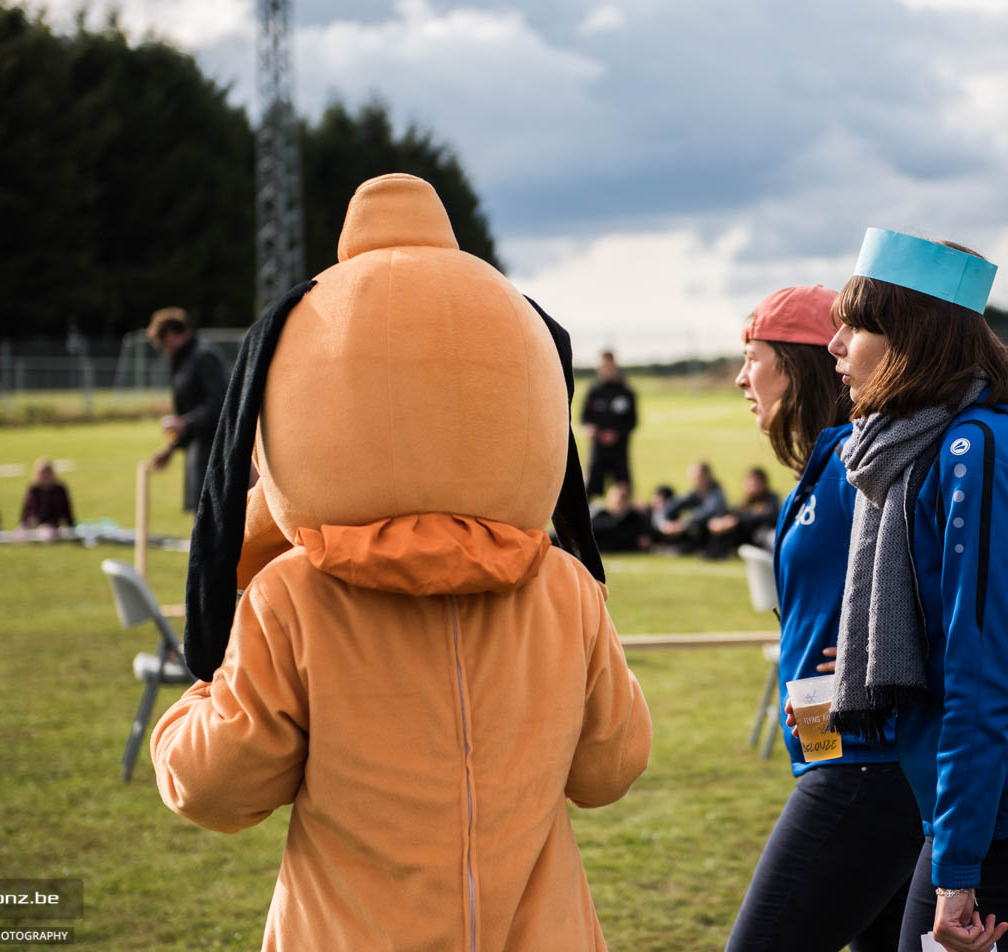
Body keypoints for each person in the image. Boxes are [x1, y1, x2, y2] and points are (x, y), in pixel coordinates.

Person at [149, 173, 650, 950]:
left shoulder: (292, 598)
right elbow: (609, 767)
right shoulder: (565, 588)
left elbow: (218, 785)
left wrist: (185, 710)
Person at [825, 228, 1008, 952]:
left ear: (913, 339)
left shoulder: (975, 451)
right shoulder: (940, 444)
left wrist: (958, 871)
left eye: (857, 325)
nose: (835, 345)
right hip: (985, 815)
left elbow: (983, 677)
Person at [727, 284, 922, 952]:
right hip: (837, 755)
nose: (740, 377)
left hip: (869, 762)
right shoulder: (820, 471)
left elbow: (952, 580)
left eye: (753, 356)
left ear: (801, 363)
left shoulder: (857, 466)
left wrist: (895, 647)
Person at [147, 307, 229, 512]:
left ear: (172, 335)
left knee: (212, 511)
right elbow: (189, 411)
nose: (164, 351)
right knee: (201, 512)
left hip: (216, 449)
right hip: (197, 447)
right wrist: (171, 448)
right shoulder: (184, 360)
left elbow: (220, 404)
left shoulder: (204, 356)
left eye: (163, 344)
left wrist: (184, 423)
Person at [580, 350, 638, 497]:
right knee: (591, 490)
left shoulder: (626, 391)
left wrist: (616, 434)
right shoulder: (594, 391)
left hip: (619, 450)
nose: (606, 370)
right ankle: (591, 518)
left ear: (615, 366)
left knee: (623, 488)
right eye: (603, 366)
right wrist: (590, 429)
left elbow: (633, 421)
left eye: (609, 366)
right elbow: (585, 417)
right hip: (598, 449)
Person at [705, 467, 781, 558]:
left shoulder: (771, 499)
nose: (751, 486)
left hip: (765, 536)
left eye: (755, 482)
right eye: (748, 482)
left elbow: (767, 516)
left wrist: (736, 521)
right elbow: (734, 513)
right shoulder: (745, 503)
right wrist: (720, 522)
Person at [657, 461, 728, 552]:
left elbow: (708, 512)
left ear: (708, 476)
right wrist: (664, 524)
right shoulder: (692, 494)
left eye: (698, 477)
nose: (695, 480)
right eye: (692, 477)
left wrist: (683, 524)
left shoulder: (717, 495)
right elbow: (668, 508)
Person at [590, 481, 653, 552]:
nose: (618, 501)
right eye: (616, 497)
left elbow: (645, 538)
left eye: (623, 498)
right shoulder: (601, 514)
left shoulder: (633, 518)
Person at [18, 457, 75, 530]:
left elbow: (66, 510)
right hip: (35, 523)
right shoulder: (34, 489)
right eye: (43, 474)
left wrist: (72, 526)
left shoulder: (59, 489)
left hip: (53, 524)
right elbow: (27, 509)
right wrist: (27, 522)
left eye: (48, 473)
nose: (46, 476)